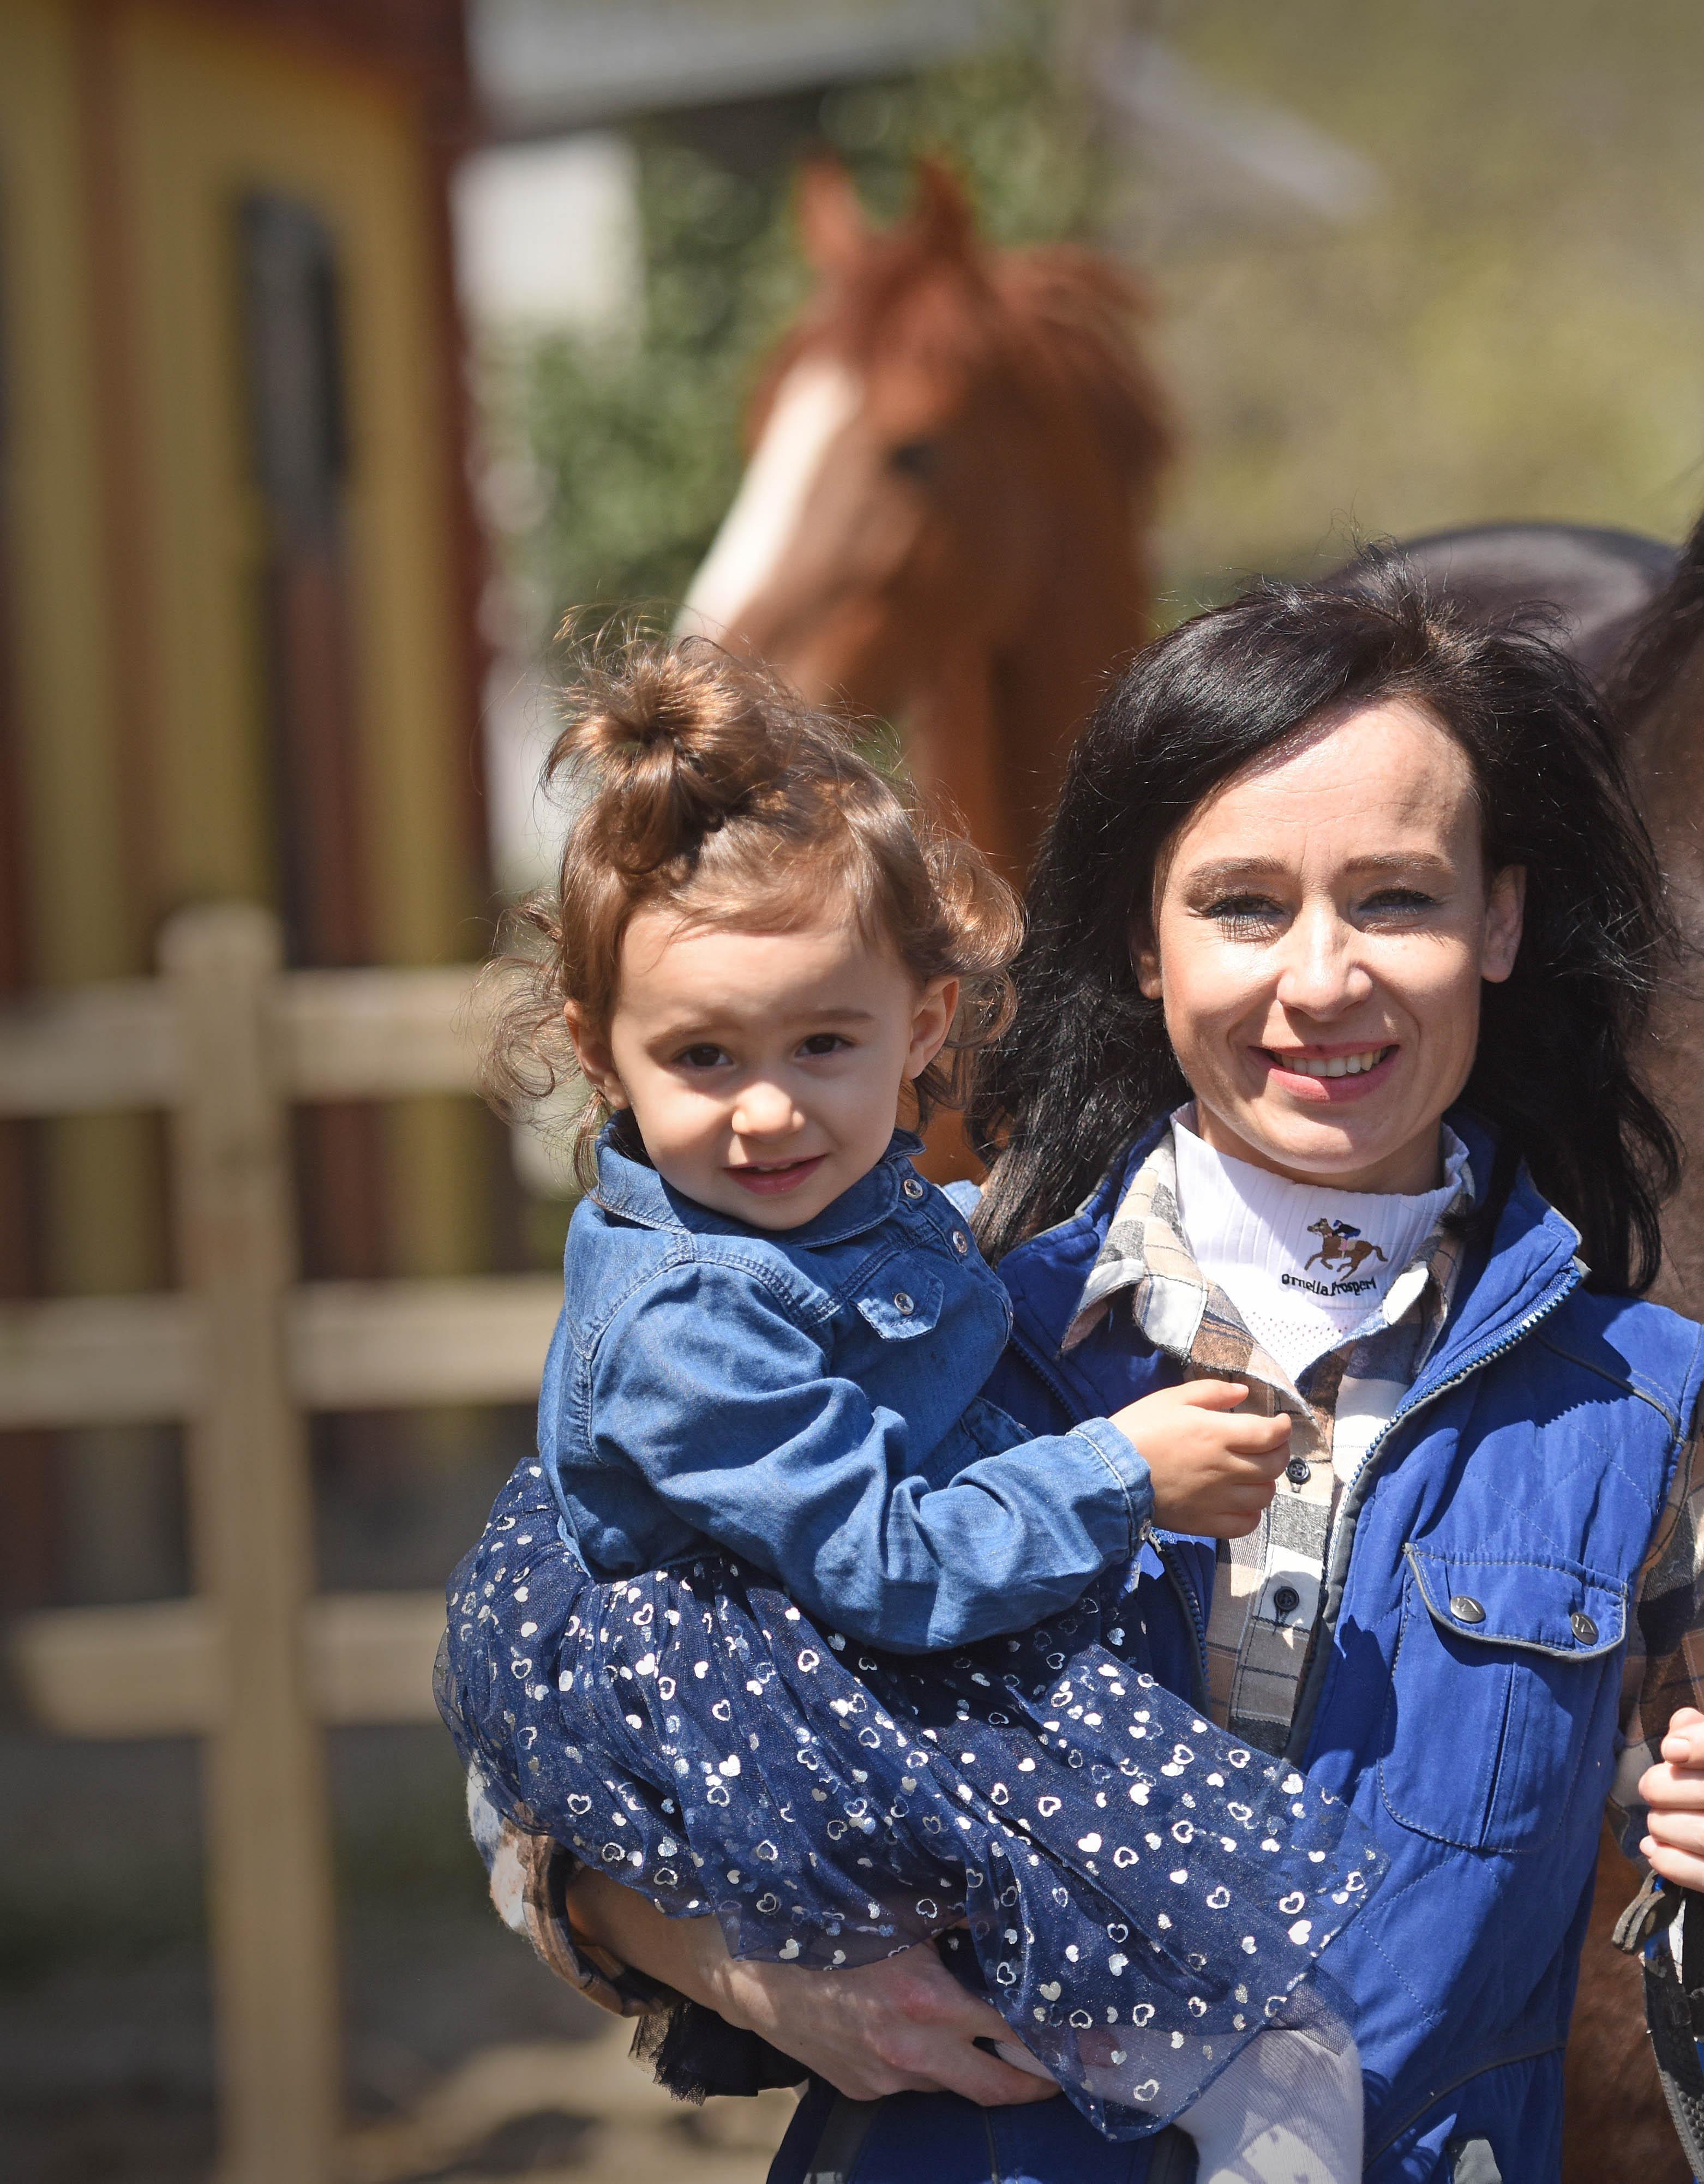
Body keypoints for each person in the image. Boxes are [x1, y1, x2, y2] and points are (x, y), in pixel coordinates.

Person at [472, 571, 1704, 2183]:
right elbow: (541, 1791)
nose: (1320, 978)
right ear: (1143, 944)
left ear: (1498, 921)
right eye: (1241, 905)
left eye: (1396, 900)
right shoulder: (898, 1313)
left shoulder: (1644, 1404)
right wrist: (757, 1980)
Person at [438, 644, 1381, 2182]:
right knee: (1261, 2054)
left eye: (825, 1043)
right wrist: (1117, 1472)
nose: (767, 1110)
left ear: (926, 1023)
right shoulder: (688, 1320)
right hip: (806, 1662)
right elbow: (881, 1560)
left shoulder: (828, 1215)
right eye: (700, 1057)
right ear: (594, 1040)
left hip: (833, 1624)